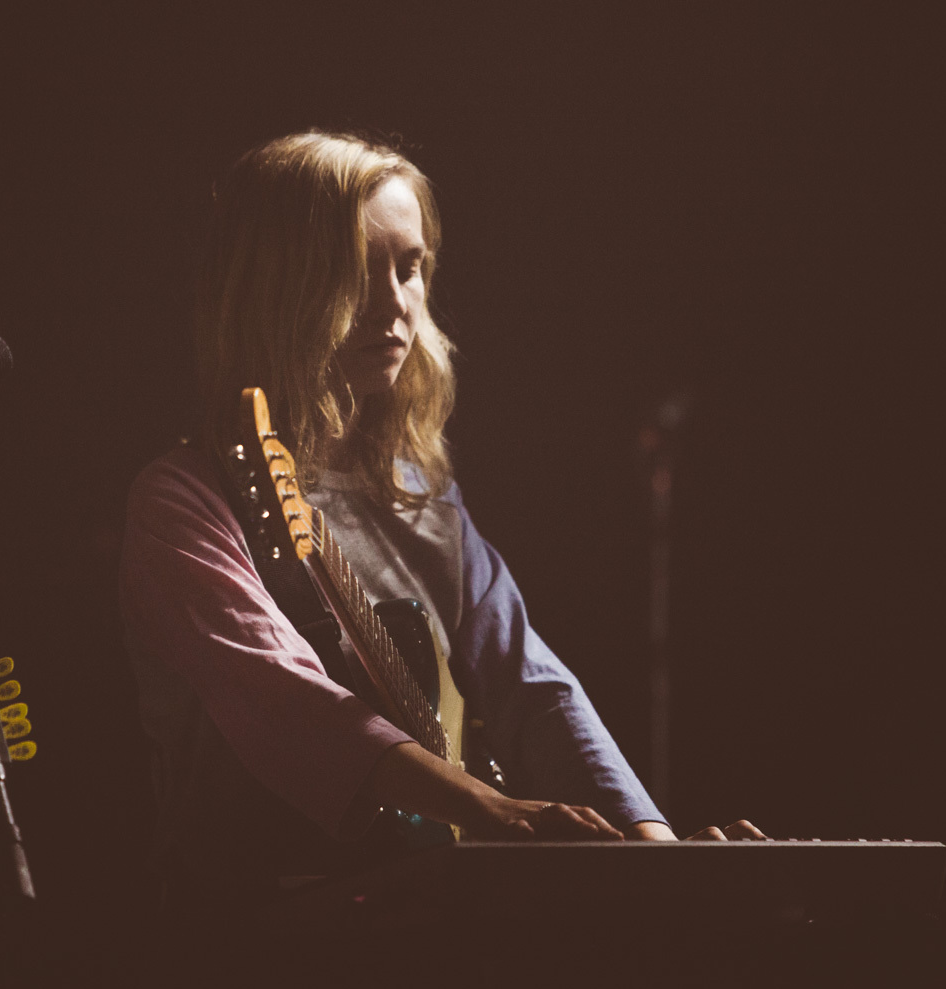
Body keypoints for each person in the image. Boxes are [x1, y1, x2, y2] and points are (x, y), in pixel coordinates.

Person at [119, 131, 761, 908]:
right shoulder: (180, 502)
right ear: (275, 287)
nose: (395, 303)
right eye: (357, 271)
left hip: (418, 917)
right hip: (253, 930)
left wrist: (655, 849)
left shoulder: (421, 498)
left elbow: (532, 686)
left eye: (410, 267)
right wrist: (490, 809)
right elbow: (282, 700)